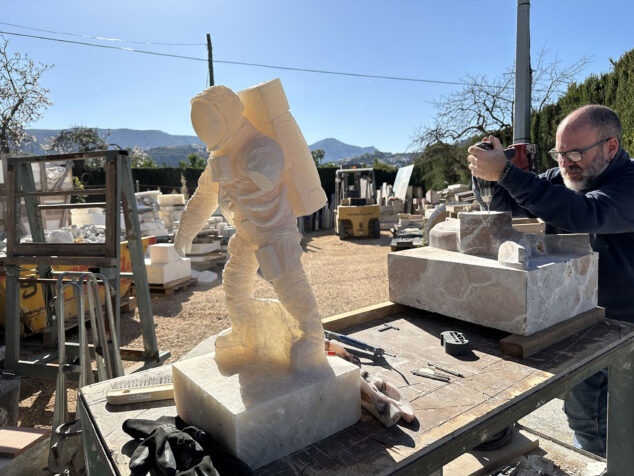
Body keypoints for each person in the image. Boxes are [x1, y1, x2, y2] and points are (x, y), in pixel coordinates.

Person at [467, 104, 634, 457]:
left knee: (613, 422)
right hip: (581, 320)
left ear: (611, 147)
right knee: (586, 417)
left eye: (575, 153)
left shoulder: (629, 184)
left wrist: (509, 175)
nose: (565, 162)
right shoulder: (564, 177)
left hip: (625, 328)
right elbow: (513, 206)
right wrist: (491, 175)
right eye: (559, 153)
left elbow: (582, 214)